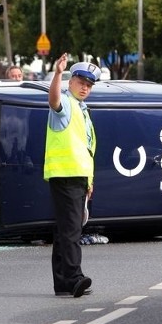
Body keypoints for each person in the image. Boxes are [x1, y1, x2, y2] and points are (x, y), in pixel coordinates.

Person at [44, 53, 101, 298]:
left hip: (77, 177)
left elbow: (86, 150)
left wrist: (89, 182)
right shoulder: (66, 104)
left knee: (64, 230)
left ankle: (62, 282)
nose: (85, 88)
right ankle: (74, 277)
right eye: (81, 83)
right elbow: (53, 100)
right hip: (65, 175)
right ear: (71, 82)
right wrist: (57, 73)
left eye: (89, 85)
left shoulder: (82, 110)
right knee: (71, 232)